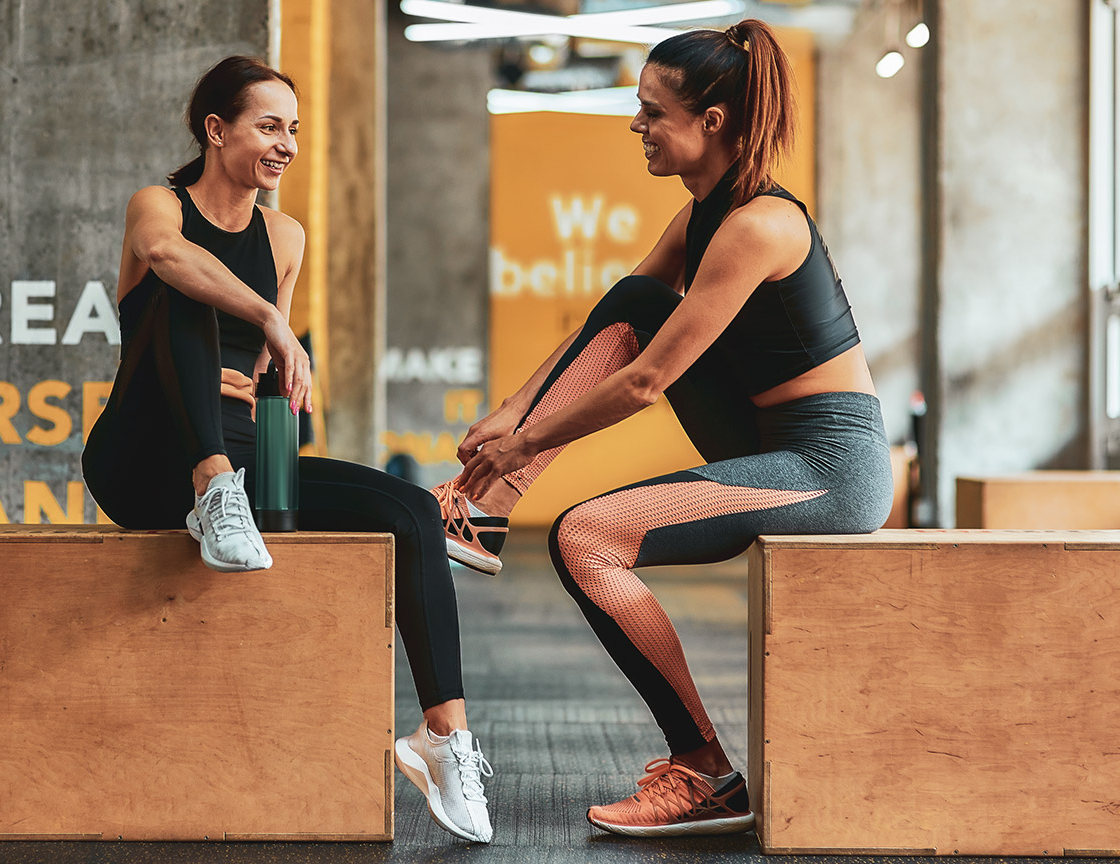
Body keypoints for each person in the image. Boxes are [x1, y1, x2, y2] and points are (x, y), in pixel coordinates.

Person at [432, 20, 893, 837]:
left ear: (711, 121)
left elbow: (645, 383)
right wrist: (512, 413)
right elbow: (614, 323)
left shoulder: (759, 224)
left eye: (651, 111)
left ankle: (706, 773)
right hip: (762, 435)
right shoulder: (701, 213)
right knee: (638, 298)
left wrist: (527, 441)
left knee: (586, 537)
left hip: (831, 463)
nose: (636, 125)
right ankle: (493, 507)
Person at [80, 56, 494, 844]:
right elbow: (171, 262)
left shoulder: (285, 235)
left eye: (293, 130)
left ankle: (444, 739)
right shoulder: (157, 208)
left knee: (408, 507)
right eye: (269, 126)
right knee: (185, 293)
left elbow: (277, 384)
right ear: (216, 130)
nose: (286, 145)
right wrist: (272, 320)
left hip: (245, 458)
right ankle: (211, 493)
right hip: (143, 457)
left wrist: (273, 386)